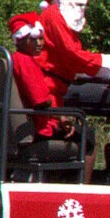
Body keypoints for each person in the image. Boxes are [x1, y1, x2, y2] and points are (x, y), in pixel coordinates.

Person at [37, 0, 110, 101]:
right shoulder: (54, 16)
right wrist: (108, 61)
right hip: (47, 89)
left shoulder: (63, 19)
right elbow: (70, 53)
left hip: (56, 89)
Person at [9, 12, 73, 142]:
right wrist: (60, 116)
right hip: (40, 128)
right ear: (19, 40)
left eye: (41, 38)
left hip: (30, 123)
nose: (39, 43)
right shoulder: (26, 62)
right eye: (33, 39)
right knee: (87, 137)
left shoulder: (14, 58)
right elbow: (41, 101)